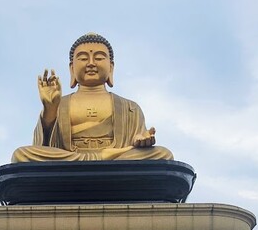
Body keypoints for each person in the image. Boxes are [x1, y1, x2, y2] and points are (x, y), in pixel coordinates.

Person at [11, 33, 174, 162]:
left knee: (163, 154)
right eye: (82, 58)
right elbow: (43, 146)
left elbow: (138, 139)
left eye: (99, 58)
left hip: (119, 158)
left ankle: (107, 157)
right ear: (72, 68)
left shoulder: (129, 107)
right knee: (21, 155)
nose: (90, 63)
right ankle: (102, 159)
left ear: (111, 67)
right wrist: (50, 109)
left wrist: (141, 140)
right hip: (70, 159)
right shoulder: (61, 104)